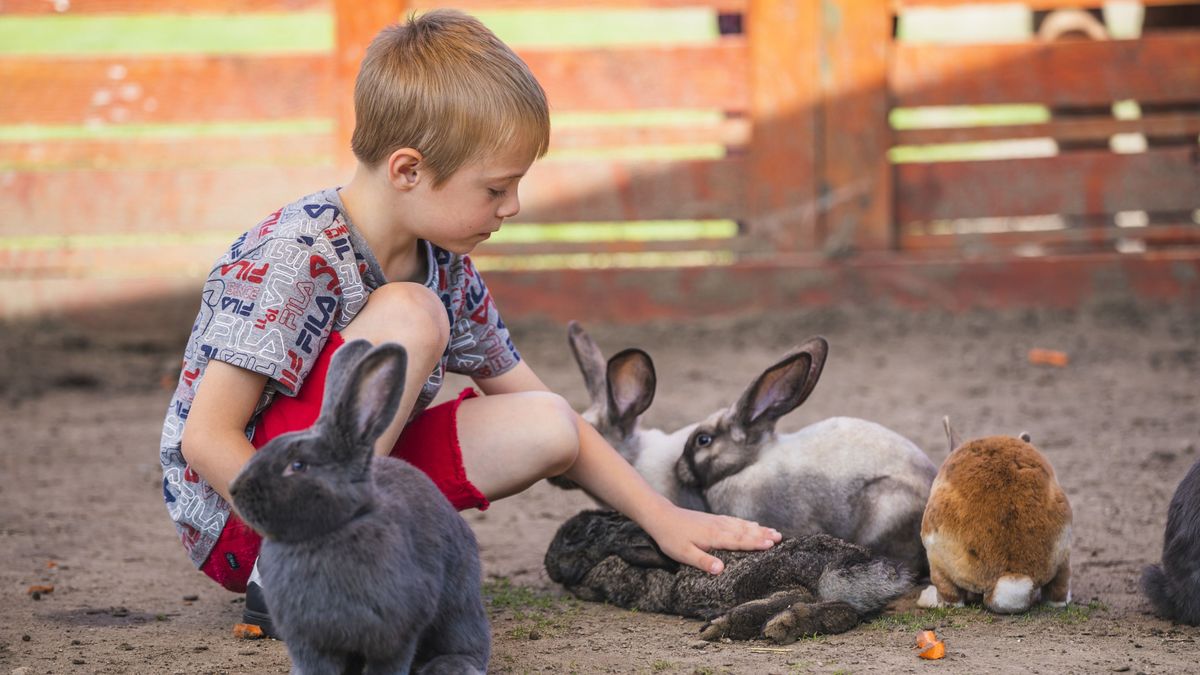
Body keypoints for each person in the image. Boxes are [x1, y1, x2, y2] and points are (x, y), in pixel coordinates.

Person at [158, 9, 780, 634]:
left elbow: (552, 415)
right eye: (494, 189)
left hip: (349, 490)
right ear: (408, 170)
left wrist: (663, 517)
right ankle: (305, 567)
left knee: (549, 424)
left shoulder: (448, 266)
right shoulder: (293, 255)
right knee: (411, 312)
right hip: (252, 521)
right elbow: (207, 438)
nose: (512, 206)